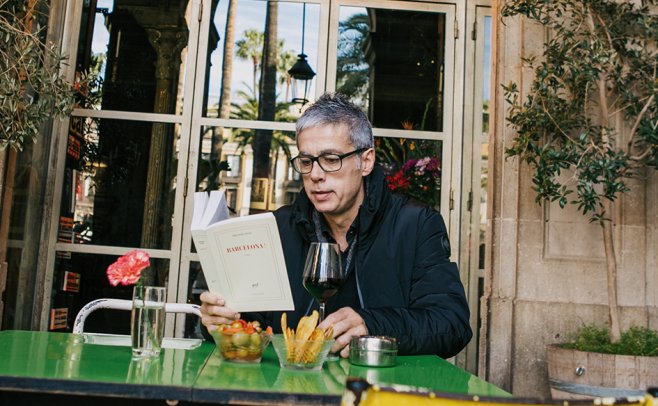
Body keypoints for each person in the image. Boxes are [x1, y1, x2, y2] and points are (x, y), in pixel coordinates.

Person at [200, 92, 472, 358]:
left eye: (331, 160)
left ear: (365, 161)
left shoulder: (416, 224)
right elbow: (253, 321)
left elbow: (452, 325)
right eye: (306, 162)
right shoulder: (278, 228)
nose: (316, 175)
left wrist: (372, 325)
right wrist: (222, 321)